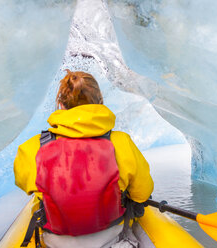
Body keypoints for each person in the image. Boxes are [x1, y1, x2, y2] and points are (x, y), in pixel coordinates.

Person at [14, 70, 154, 248]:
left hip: (55, 242)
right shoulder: (121, 142)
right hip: (111, 238)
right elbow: (142, 193)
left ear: (61, 104)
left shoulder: (33, 148)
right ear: (100, 102)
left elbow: (23, 183)